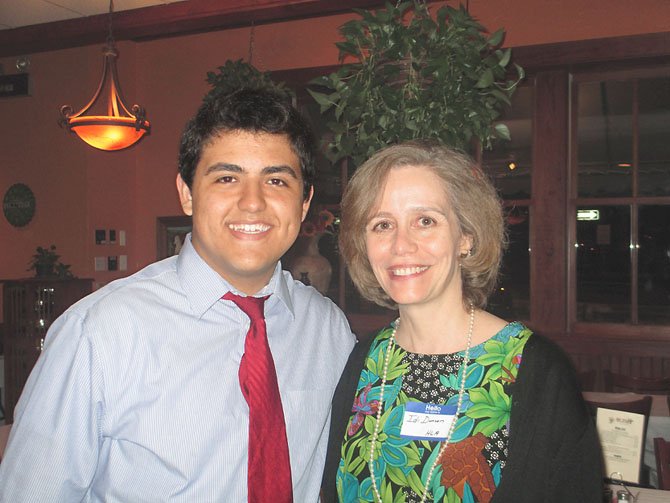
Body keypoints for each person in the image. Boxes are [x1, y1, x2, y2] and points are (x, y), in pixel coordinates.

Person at [0, 88, 355, 502]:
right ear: (187, 193)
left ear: (305, 202)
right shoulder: (98, 334)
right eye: (227, 178)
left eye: (276, 180)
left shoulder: (329, 330)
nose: (253, 202)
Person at [322, 142, 602, 502]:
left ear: (465, 238)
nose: (401, 244)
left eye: (425, 221)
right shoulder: (364, 362)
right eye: (382, 224)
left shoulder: (536, 370)